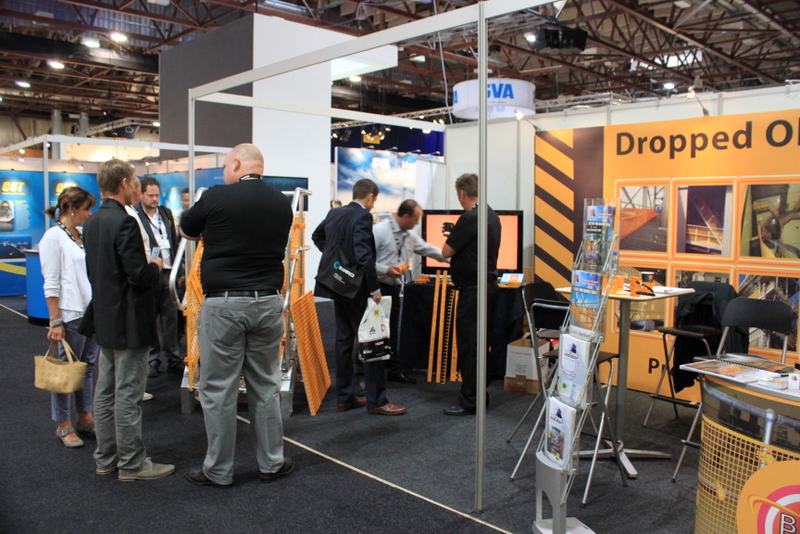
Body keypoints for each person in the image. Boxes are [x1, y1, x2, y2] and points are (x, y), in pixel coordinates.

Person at [180, 143, 294, 487]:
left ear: (235, 163)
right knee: (266, 385)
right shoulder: (281, 202)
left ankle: (218, 470)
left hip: (224, 305)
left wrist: (211, 231)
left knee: (219, 389)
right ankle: (272, 463)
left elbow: (186, 229)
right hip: (268, 302)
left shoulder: (216, 196)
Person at [78, 158, 174, 481]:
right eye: (134, 181)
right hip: (130, 321)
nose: (137, 186)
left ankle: (106, 458)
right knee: (128, 395)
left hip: (105, 318)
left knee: (105, 392)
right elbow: (137, 275)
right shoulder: (125, 222)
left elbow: (96, 272)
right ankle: (132, 464)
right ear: (123, 184)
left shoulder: (92, 222)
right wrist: (155, 266)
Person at [312, 179, 406, 416]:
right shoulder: (363, 216)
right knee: (372, 339)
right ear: (371, 196)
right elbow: (365, 257)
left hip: (337, 286)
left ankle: (345, 397)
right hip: (356, 289)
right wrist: (375, 290)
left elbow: (317, 236)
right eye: (375, 199)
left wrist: (337, 260)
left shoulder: (334, 213)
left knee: (344, 340)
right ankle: (377, 400)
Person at [39, 186, 98, 448]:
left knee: (87, 367)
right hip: (70, 313)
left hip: (90, 311)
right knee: (64, 370)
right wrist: (55, 320)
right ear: (72, 209)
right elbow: (51, 282)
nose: (90, 213)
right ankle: (63, 424)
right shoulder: (53, 237)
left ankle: (85, 417)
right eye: (86, 208)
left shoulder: (81, 235)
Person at [441, 173, 501, 416]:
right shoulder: (491, 214)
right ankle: (479, 395)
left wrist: (452, 235)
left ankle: (470, 400)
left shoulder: (469, 218)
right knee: (481, 345)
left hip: (473, 293)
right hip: (489, 289)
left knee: (469, 347)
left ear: (462, 193)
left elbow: (446, 252)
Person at [373, 199, 447, 383]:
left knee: (392, 330)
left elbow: (427, 249)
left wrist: (451, 258)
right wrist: (385, 270)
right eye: (415, 219)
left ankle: (392, 370)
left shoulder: (409, 235)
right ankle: (365, 370)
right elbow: (364, 261)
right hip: (377, 288)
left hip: (395, 286)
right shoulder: (379, 231)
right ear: (405, 216)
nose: (416, 223)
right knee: (374, 330)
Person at [136, 176, 182, 377]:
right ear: (141, 194)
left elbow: (174, 241)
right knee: (150, 319)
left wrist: (179, 271)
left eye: (156, 195)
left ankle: (173, 358)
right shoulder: (136, 216)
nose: (155, 199)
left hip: (169, 272)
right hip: (150, 272)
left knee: (171, 319)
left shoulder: (166, 213)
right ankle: (152, 359)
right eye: (150, 195)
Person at [124, 176, 154, 402]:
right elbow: (135, 269)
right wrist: (153, 267)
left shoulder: (126, 215)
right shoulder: (126, 218)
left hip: (137, 291)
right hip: (133, 293)